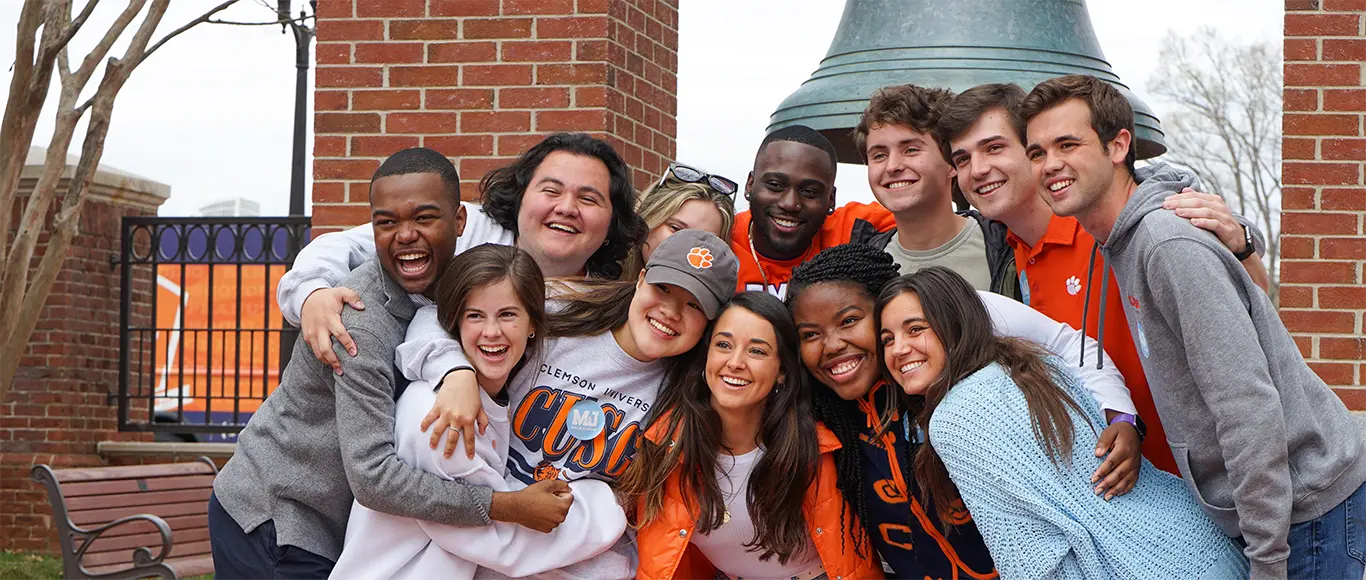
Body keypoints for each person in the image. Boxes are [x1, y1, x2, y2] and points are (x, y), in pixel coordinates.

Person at [1021, 74, 1366, 580]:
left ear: (1118, 145)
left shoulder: (1165, 246)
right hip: (1280, 519)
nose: (1050, 164)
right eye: (1036, 151)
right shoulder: (1120, 243)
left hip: (1306, 518)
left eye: (1067, 144)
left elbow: (1246, 405)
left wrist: (1269, 561)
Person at [209, 149, 562, 579]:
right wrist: (507, 507)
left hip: (333, 522)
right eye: (387, 223)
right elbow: (374, 477)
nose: (405, 235)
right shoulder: (359, 323)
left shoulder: (455, 293)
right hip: (277, 517)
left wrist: (458, 370)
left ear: (460, 223)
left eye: (424, 218)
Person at [936, 82, 1272, 475]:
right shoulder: (1009, 262)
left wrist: (1244, 242)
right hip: (1132, 506)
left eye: (994, 148)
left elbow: (1252, 308)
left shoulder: (1121, 225)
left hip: (1227, 487)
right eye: (961, 159)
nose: (977, 170)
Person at [785, 243, 1149, 579]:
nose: (831, 345)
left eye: (849, 321)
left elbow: (1065, 343)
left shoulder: (953, 328)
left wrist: (1120, 416)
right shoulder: (821, 412)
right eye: (810, 335)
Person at [397, 229, 741, 580]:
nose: (670, 311)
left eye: (694, 304)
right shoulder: (563, 312)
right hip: (466, 547)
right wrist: (454, 371)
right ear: (640, 279)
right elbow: (438, 317)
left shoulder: (689, 403)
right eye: (663, 288)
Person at [878, 267, 1250, 579]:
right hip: (1199, 540)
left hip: (1134, 565)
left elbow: (1029, 554)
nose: (898, 349)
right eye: (887, 338)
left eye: (916, 329)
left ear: (954, 325)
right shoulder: (1033, 365)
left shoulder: (954, 418)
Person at [330, 244, 626, 579]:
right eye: (475, 315)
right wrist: (610, 510)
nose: (491, 332)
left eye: (508, 314)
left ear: (532, 324)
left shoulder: (494, 395)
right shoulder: (441, 415)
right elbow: (498, 540)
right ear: (454, 324)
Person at [277, 133, 648, 375]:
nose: (566, 208)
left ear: (612, 220)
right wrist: (311, 294)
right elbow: (347, 244)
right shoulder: (464, 227)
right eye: (551, 191)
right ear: (520, 196)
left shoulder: (604, 305)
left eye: (588, 198)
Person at [624, 291, 884, 580]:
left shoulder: (817, 447)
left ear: (781, 371)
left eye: (757, 351)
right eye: (723, 345)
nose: (735, 362)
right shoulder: (665, 442)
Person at [850, 85, 1018, 297]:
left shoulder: (1008, 245)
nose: (892, 166)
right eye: (879, 155)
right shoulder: (860, 267)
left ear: (951, 163)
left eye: (910, 150)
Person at [733, 124, 896, 298]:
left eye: (809, 191)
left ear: (831, 199)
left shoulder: (850, 228)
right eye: (775, 185)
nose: (790, 204)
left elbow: (921, 218)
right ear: (750, 184)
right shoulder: (722, 234)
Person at [621, 162, 738, 277]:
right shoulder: (605, 283)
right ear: (647, 218)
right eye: (676, 229)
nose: (688, 248)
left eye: (704, 242)